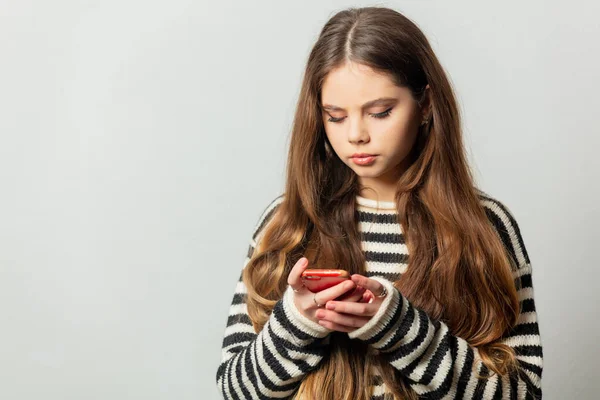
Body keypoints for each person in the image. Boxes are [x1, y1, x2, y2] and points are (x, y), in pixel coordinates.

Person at [215, 6, 543, 400]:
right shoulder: (287, 221)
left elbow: (522, 394)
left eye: (380, 112)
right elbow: (234, 391)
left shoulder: (486, 225)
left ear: (424, 105)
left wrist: (398, 327)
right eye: (335, 117)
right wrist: (298, 323)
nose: (356, 135)